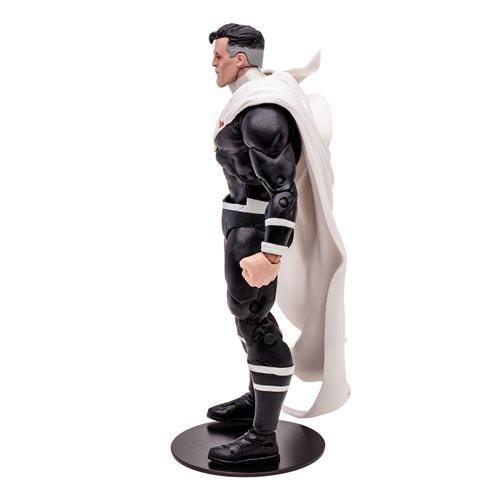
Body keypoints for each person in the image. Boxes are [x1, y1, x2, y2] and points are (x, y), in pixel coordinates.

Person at [207, 23, 300, 465]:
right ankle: (256, 398)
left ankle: (264, 438)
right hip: (240, 220)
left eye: (219, 55)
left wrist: (271, 254)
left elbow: (283, 190)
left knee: (256, 321)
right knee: (245, 318)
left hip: (254, 229)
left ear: (240, 59)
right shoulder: (248, 103)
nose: (213, 63)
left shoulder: (262, 111)